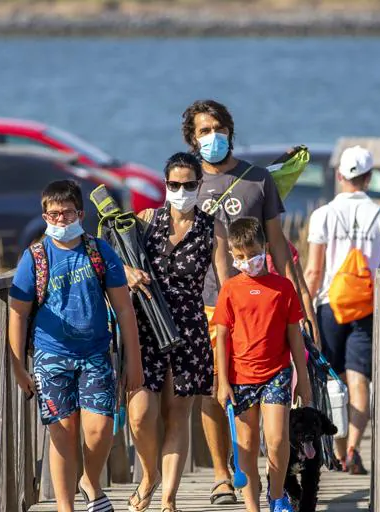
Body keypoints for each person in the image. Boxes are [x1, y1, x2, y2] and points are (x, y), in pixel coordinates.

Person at [181, 99, 319, 505]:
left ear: (230, 131)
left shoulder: (258, 179)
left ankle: (270, 489)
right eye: (203, 131)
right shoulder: (187, 183)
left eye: (218, 128)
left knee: (264, 385)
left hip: (260, 302)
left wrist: (304, 303)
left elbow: (278, 244)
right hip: (205, 301)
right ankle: (223, 474)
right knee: (214, 388)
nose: (212, 137)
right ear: (192, 139)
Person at [8, 179, 143, 512]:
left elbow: (124, 308)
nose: (59, 221)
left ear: (80, 213)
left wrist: (134, 361)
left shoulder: (98, 251)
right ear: (44, 216)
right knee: (62, 432)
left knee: (100, 431)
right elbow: (17, 314)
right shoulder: (35, 257)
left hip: (95, 353)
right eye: (52, 215)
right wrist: (17, 367)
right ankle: (65, 507)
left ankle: (90, 481)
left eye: (66, 213)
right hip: (51, 355)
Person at [122, 152, 232, 512]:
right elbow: (110, 257)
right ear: (164, 184)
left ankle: (168, 498)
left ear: (199, 185)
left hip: (189, 327)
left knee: (177, 413)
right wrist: (126, 271)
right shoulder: (146, 220)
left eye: (188, 185)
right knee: (140, 413)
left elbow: (227, 285)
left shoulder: (212, 227)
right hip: (148, 326)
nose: (181, 190)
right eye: (174, 184)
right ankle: (149, 475)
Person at [303, 146, 380, 474]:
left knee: (333, 380)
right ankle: (354, 449)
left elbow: (314, 271)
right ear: (369, 177)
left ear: (340, 175)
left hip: (330, 306)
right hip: (367, 308)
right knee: (360, 382)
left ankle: (338, 448)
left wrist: (305, 307)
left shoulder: (324, 215)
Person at [212, 217, 312, 512]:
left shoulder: (283, 288)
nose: (247, 261)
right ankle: (252, 507)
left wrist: (302, 380)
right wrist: (222, 382)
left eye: (252, 254)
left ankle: (277, 496)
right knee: (246, 445)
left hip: (277, 374)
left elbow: (295, 337)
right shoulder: (230, 289)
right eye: (240, 256)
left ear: (265, 248)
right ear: (232, 254)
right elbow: (222, 336)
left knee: (278, 438)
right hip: (241, 376)